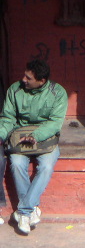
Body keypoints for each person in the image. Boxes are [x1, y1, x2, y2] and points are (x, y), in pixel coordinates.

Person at [0, 59, 68, 234]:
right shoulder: (15, 90)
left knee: (46, 166)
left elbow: (55, 123)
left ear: (42, 81)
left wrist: (36, 136)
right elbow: (8, 118)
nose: (24, 79)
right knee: (16, 164)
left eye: (28, 78)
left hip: (46, 138)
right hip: (20, 136)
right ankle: (31, 210)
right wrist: (1, 134)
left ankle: (23, 212)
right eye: (24, 75)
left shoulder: (58, 92)